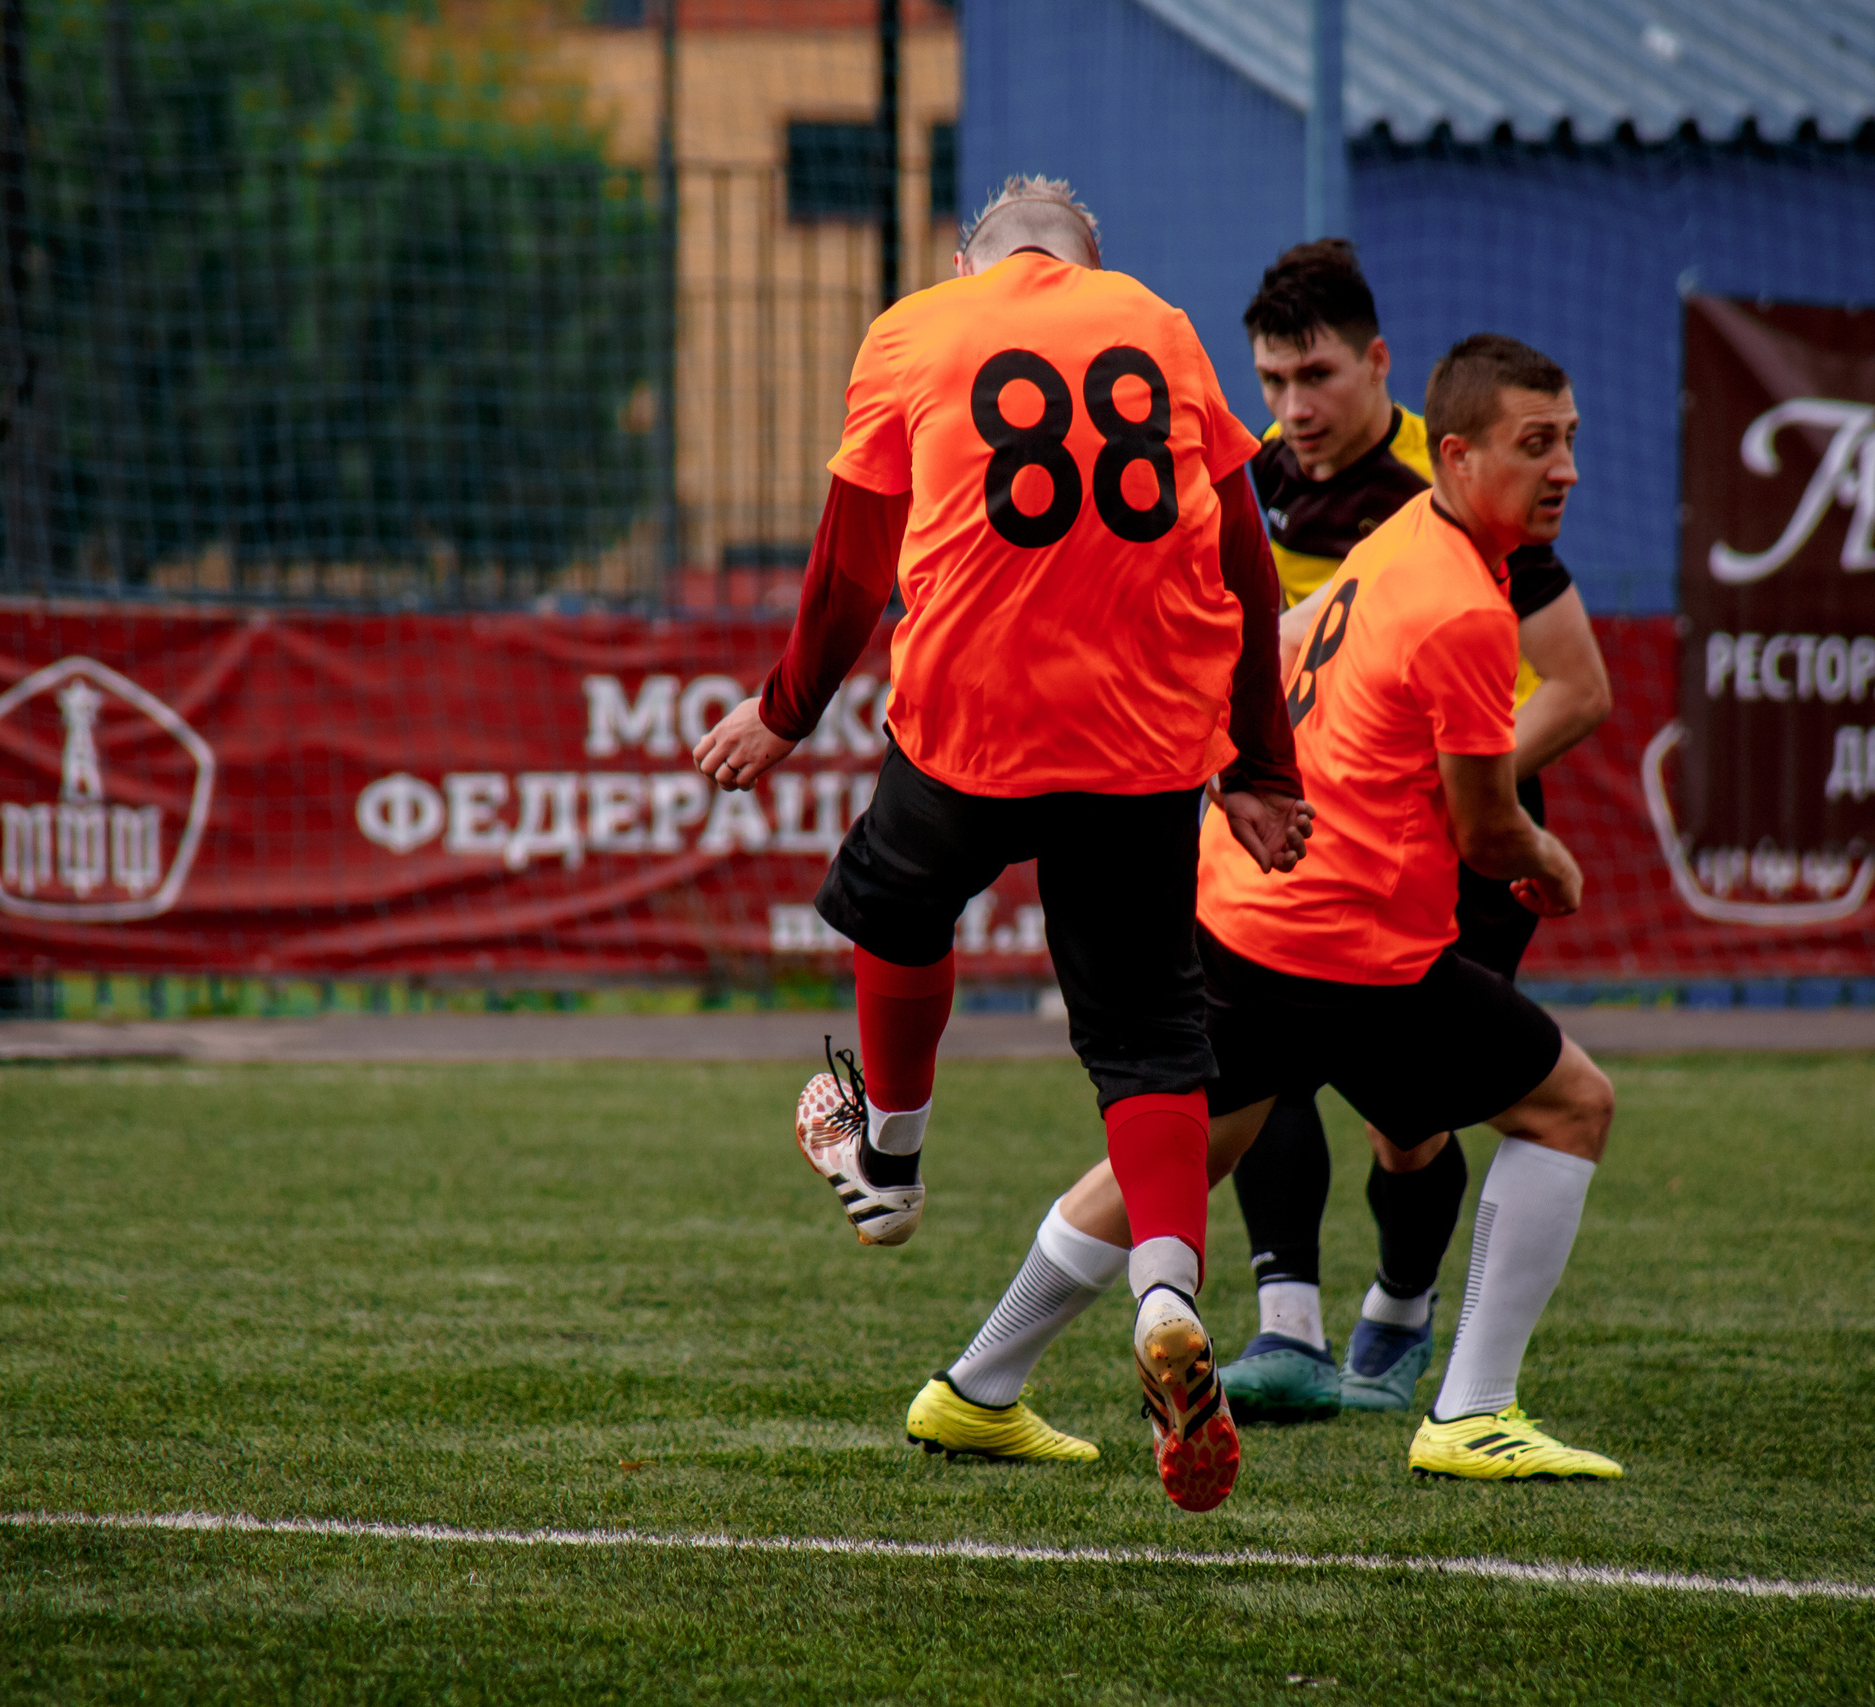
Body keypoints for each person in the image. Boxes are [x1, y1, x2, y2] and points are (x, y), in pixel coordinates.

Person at [691, 177, 1310, 1513]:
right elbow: (1248, 567)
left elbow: (854, 564)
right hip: (1143, 737)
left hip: (969, 721)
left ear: (972, 256)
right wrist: (1262, 765)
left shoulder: (917, 328)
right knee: (1150, 1038)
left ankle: (894, 1161)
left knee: (894, 908)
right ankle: (1161, 1295)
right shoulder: (1157, 321)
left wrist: (783, 710)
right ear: (1097, 259)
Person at [912, 334, 1625, 1484]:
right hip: (1344, 946)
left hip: (1245, 916)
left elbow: (1284, 647)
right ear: (1455, 455)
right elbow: (1490, 828)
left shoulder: (1403, 540)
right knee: (1570, 1106)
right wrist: (1547, 859)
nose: (1565, 470)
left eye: (1571, 444)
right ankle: (1471, 1411)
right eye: (1535, 445)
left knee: (1184, 1154)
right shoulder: (1460, 608)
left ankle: (975, 1389)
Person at [1223, 242, 1612, 1424]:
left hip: (1453, 843)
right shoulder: (1253, 484)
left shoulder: (1456, 480)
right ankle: (1286, 1325)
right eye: (1273, 380)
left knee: (1410, 1119)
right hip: (1314, 842)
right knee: (1266, 1062)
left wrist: (1457, 800)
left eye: (1318, 376)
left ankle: (1397, 1311)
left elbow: (1575, 686)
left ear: (1379, 366)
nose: (1293, 407)